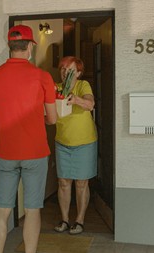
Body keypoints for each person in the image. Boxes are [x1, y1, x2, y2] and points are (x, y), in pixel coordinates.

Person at [0, 25, 57, 253]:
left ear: (10, 47)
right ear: (29, 47)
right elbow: (53, 118)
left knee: (3, 208)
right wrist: (42, 117)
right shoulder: (42, 77)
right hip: (35, 152)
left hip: (6, 151)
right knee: (32, 208)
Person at [53, 56, 97, 235]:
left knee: (81, 183)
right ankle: (64, 219)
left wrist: (76, 100)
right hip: (62, 142)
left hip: (85, 142)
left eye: (70, 70)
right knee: (63, 182)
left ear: (78, 73)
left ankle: (79, 220)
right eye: (63, 69)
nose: (65, 73)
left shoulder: (83, 85)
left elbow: (90, 104)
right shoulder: (56, 87)